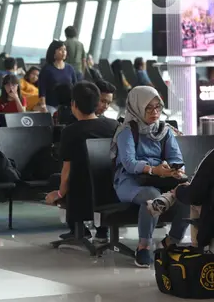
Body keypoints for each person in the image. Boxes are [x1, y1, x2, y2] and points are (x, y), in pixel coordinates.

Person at [111, 86, 190, 267]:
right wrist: (154, 170)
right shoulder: (127, 131)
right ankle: (143, 247)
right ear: (137, 107)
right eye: (149, 108)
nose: (155, 112)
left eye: (158, 107)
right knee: (152, 196)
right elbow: (129, 164)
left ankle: (171, 242)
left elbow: (176, 158)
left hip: (160, 179)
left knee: (187, 192)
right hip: (129, 181)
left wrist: (174, 170)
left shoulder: (164, 130)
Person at [45, 81, 120, 242]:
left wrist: (58, 194)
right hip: (113, 189)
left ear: (74, 104)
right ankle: (102, 231)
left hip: (82, 194)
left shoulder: (70, 131)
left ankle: (78, 229)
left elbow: (67, 170)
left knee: (59, 179)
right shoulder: (114, 126)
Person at [37, 40, 77, 113]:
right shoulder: (46, 69)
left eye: (64, 49)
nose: (63, 52)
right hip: (51, 105)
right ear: (53, 52)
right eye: (60, 50)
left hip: (68, 105)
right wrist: (43, 105)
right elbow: (42, 90)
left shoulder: (70, 68)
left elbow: (75, 86)